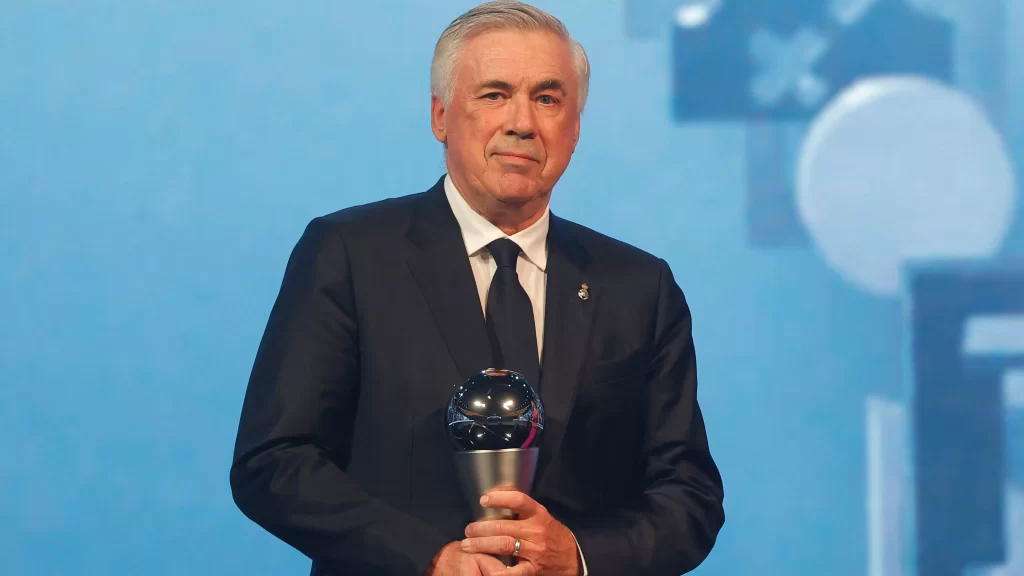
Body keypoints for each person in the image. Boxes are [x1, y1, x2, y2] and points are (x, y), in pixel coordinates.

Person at [229, 1, 725, 574]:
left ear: (575, 126)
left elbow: (688, 496)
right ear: (440, 116)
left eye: (548, 99)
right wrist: (430, 559)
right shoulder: (349, 255)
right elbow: (275, 461)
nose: (522, 123)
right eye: (494, 94)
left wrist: (579, 557)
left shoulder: (638, 287)